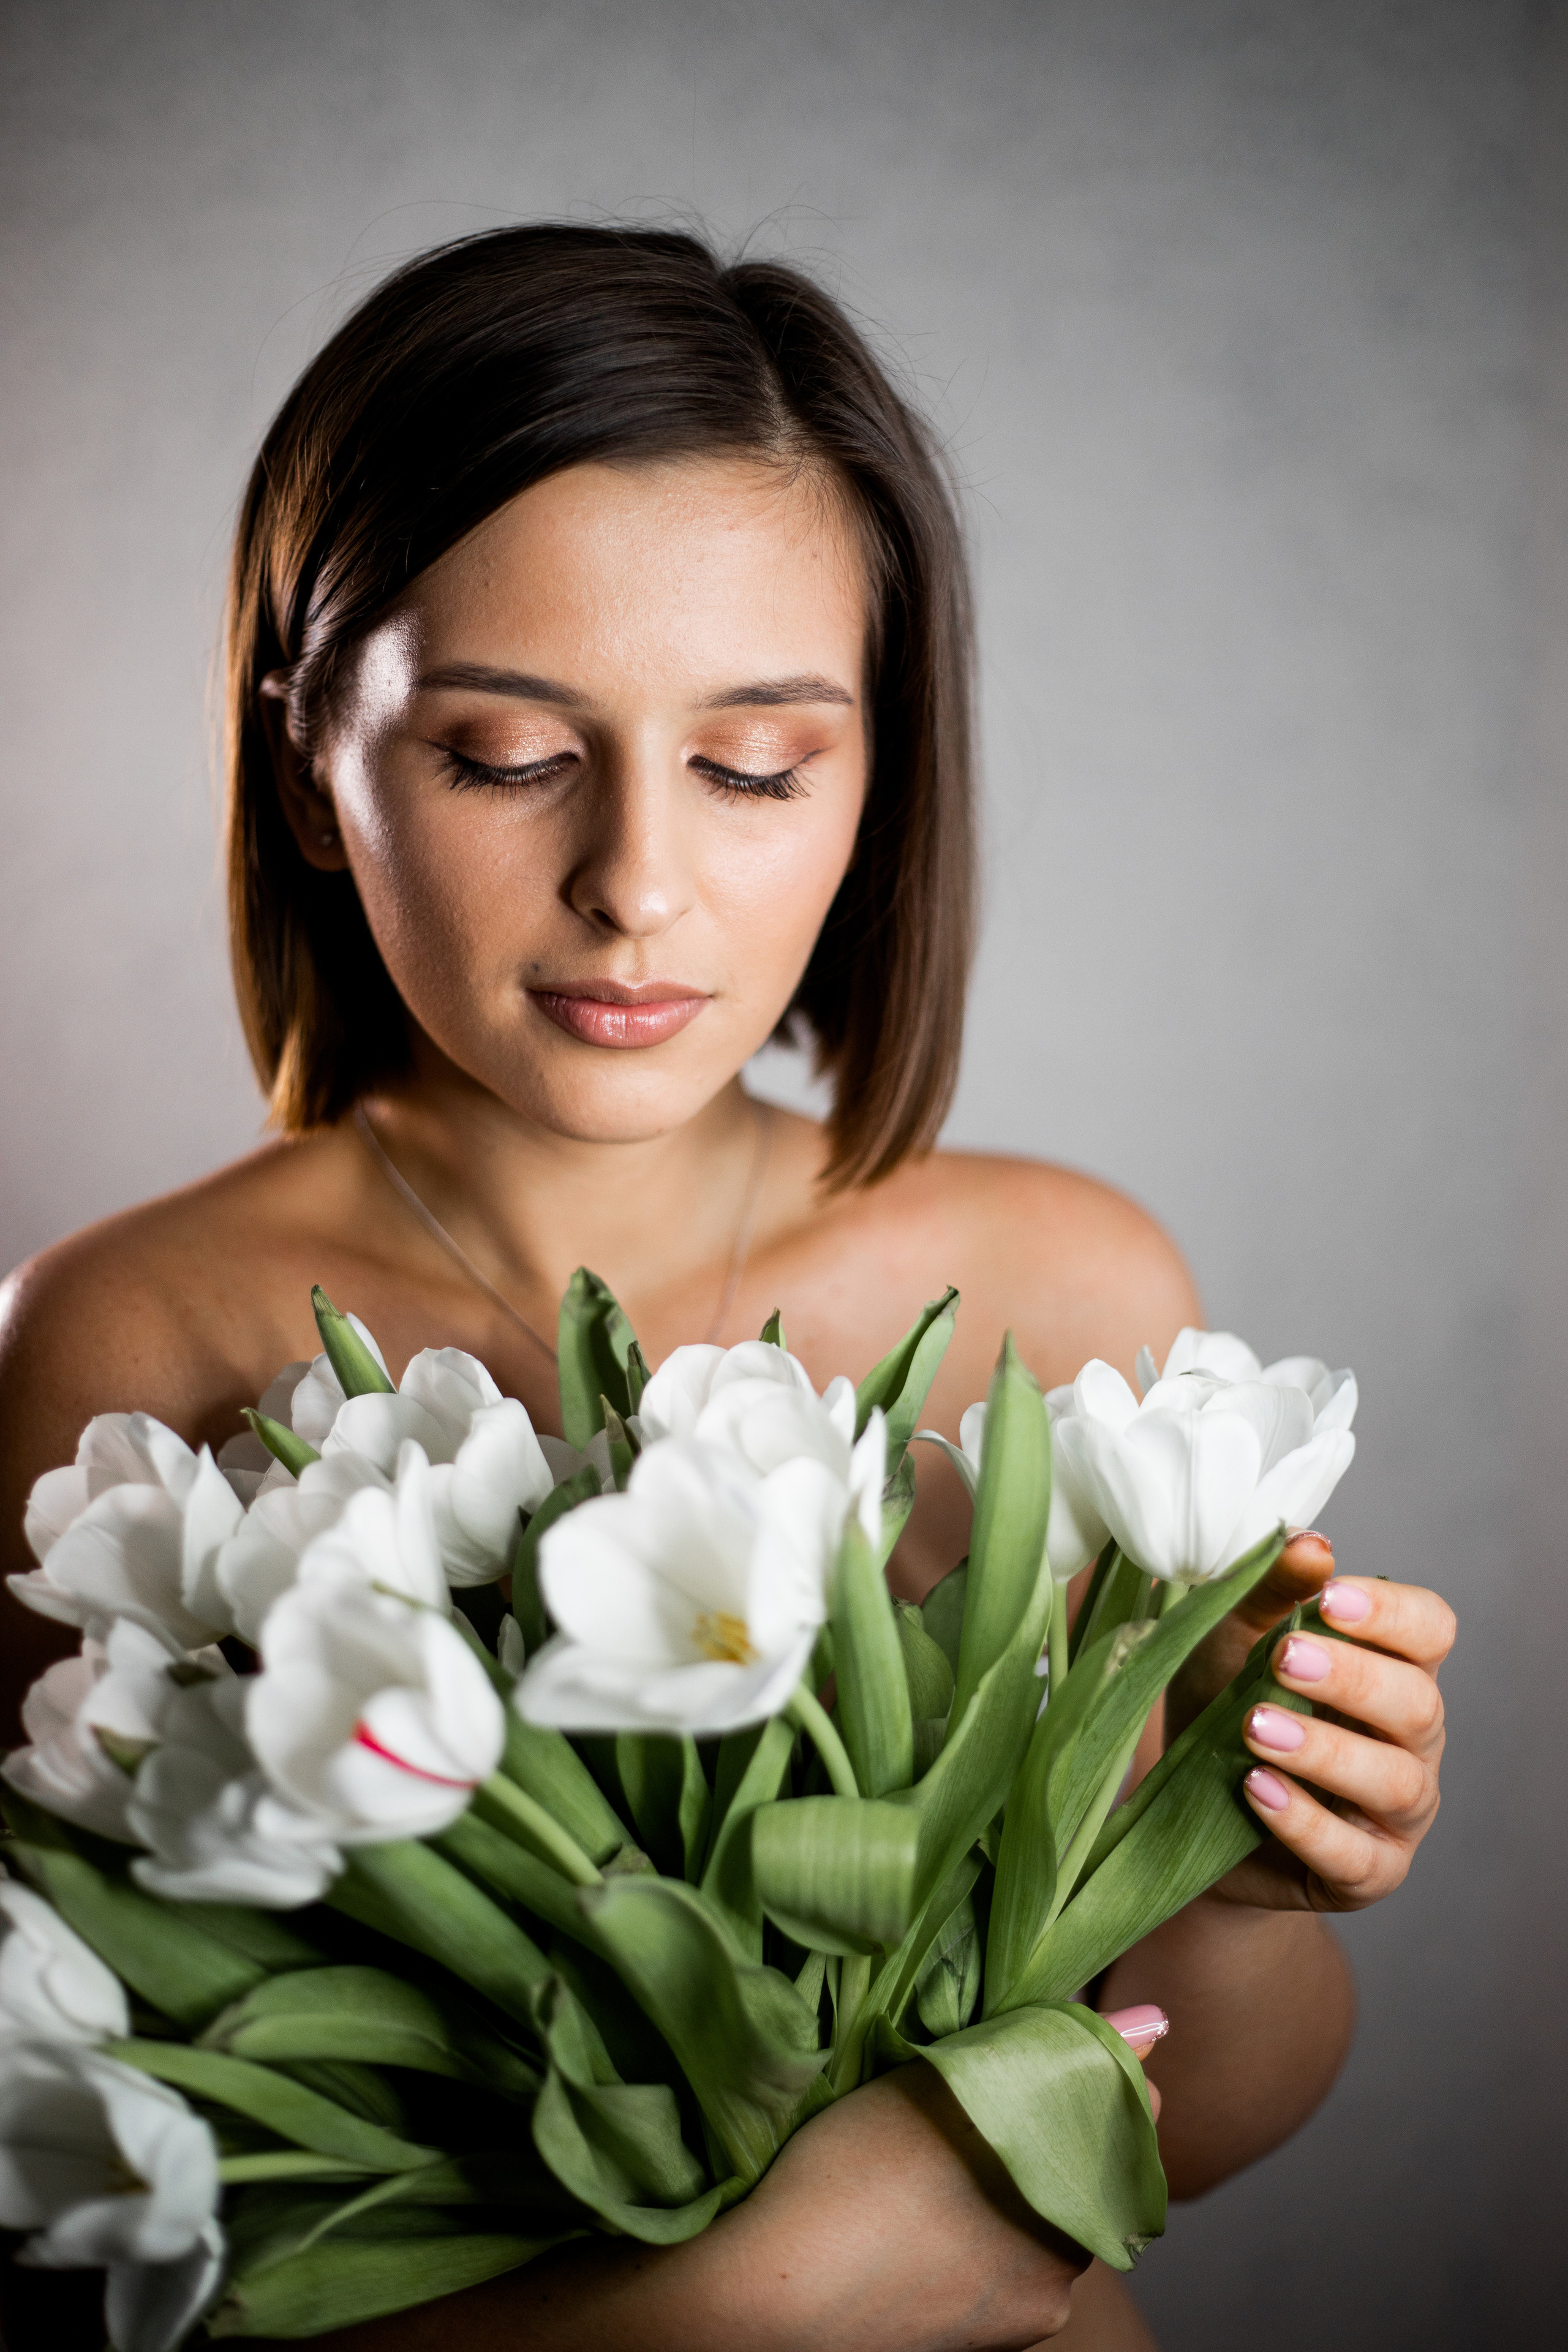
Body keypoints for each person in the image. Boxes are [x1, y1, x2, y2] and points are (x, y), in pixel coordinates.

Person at [0, 225, 1452, 2352]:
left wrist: (1234, 1877)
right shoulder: (135, 1344)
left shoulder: (1055, 1294)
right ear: (309, 761)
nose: (637, 885)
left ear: (879, 777)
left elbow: (1188, 2118)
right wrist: (723, 2310)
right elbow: (74, 2196)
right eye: (508, 756)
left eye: (756, 766)